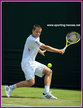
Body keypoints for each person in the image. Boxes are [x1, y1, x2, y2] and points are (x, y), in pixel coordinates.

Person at [5, 24, 65, 99]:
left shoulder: (37, 38)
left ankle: (46, 94)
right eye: (36, 32)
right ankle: (10, 88)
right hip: (27, 63)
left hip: (33, 62)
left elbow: (36, 46)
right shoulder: (31, 39)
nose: (38, 34)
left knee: (49, 72)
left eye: (39, 32)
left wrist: (40, 52)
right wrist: (59, 51)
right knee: (31, 82)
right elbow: (45, 46)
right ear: (32, 31)